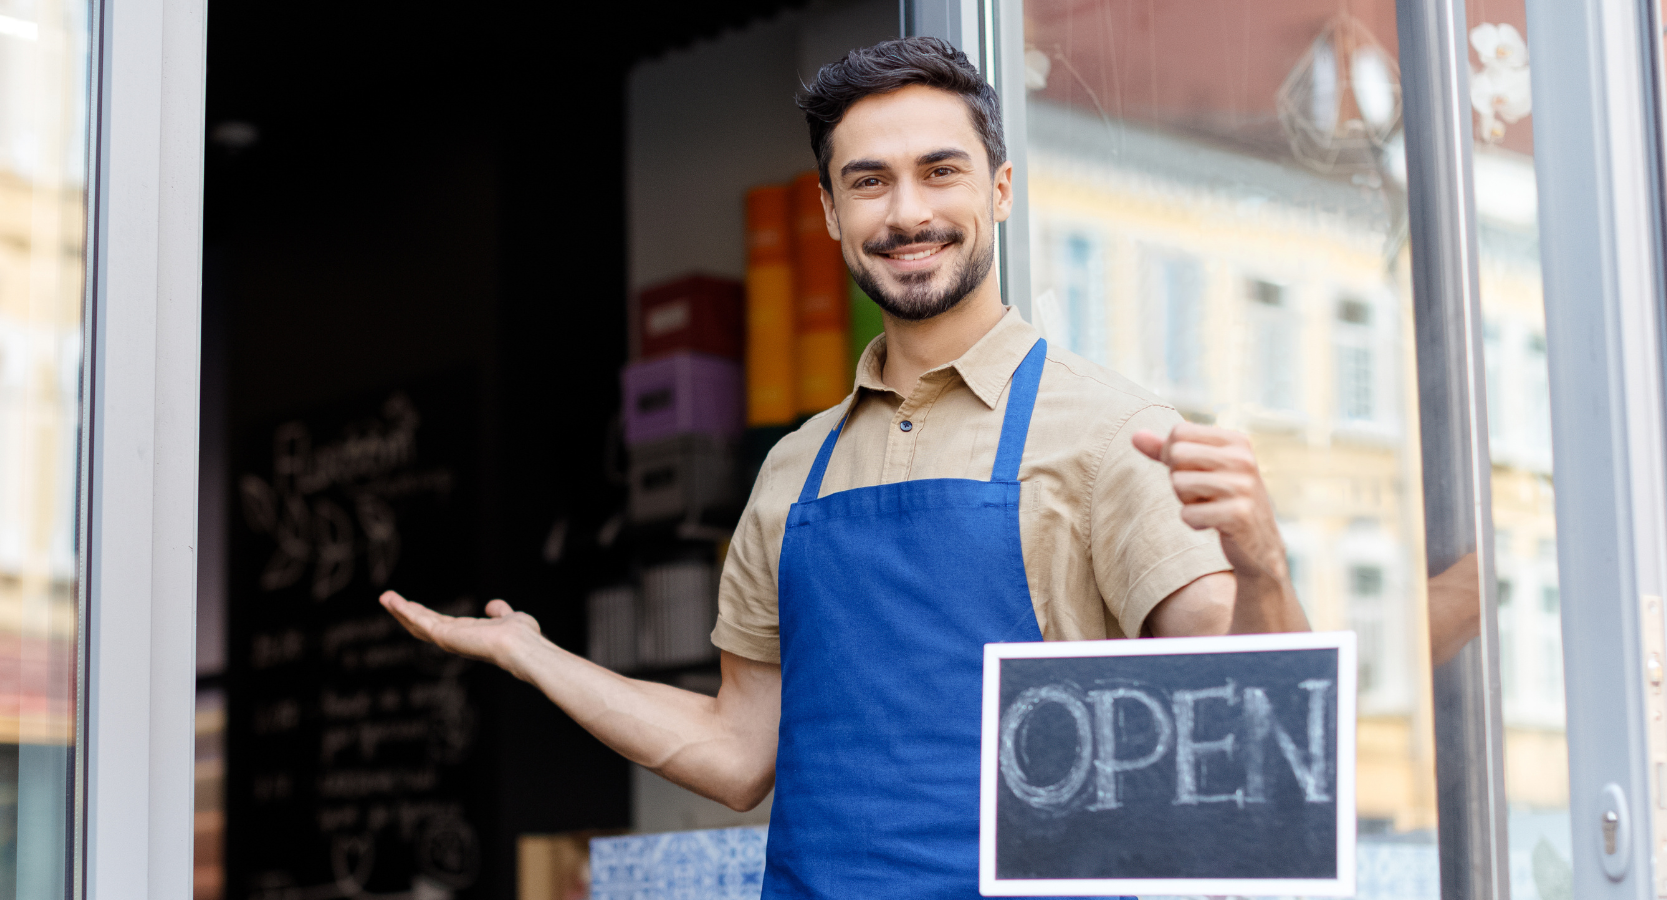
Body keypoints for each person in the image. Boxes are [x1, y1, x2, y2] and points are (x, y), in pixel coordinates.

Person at [381, 36, 1309, 899]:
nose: (907, 213)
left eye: (939, 172)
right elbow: (737, 752)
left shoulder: (1113, 433)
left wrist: (1263, 563)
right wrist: (535, 657)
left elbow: (1251, 740)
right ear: (830, 211)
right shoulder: (792, 470)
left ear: (999, 189)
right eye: (869, 182)